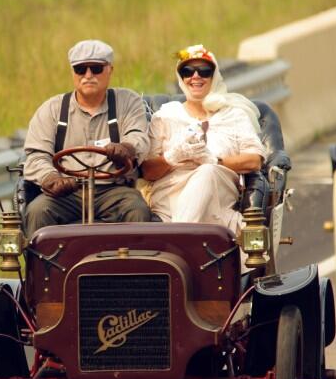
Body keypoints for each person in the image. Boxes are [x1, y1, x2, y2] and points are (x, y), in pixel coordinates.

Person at [22, 39, 152, 237]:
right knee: (37, 211)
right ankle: (43, 268)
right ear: (73, 73)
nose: (88, 75)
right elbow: (36, 155)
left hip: (113, 190)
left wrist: (127, 148)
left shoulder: (127, 101)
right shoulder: (52, 109)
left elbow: (138, 136)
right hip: (67, 192)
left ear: (110, 70)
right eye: (81, 69)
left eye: (96, 68)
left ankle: (134, 265)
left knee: (137, 209)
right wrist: (51, 178)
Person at [140, 44, 266, 234]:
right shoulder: (166, 115)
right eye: (187, 71)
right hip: (171, 196)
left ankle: (178, 238)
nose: (195, 76)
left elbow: (255, 160)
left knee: (207, 172)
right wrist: (173, 156)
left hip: (218, 190)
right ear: (181, 78)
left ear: (214, 76)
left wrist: (215, 161)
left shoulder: (233, 114)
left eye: (204, 71)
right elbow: (147, 170)